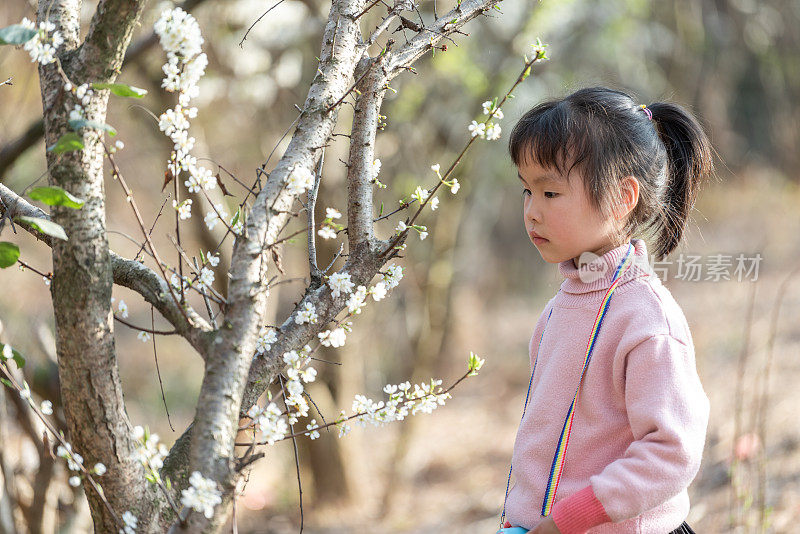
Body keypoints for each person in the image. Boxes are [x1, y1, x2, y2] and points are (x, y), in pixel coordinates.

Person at [496, 86, 714, 534]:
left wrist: (568, 520)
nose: (531, 212)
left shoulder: (647, 318)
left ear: (621, 198)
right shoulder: (560, 307)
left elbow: (672, 450)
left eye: (550, 193)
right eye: (526, 191)